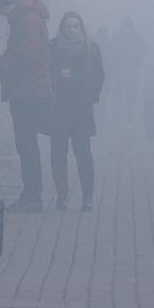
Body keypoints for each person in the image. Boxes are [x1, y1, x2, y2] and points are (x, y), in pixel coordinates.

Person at [0, 0, 52, 213]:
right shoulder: (27, 18)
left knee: (26, 144)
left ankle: (32, 196)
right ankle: (31, 194)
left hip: (28, 91)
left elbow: (26, 58)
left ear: (6, 4)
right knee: (26, 144)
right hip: (29, 89)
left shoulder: (25, 21)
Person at [48, 11, 104, 211]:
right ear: (62, 28)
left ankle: (87, 196)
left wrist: (88, 97)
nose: (71, 30)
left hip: (81, 109)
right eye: (68, 26)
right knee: (58, 154)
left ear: (81, 28)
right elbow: (46, 73)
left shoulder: (91, 49)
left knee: (83, 154)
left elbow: (98, 77)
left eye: (75, 26)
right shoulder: (52, 47)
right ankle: (62, 195)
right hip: (59, 109)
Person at [110, 17, 148, 130]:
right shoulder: (118, 37)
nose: (127, 28)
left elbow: (143, 51)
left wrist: (137, 63)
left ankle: (129, 118)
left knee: (131, 95)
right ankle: (119, 117)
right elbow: (111, 52)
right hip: (120, 71)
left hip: (131, 71)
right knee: (119, 94)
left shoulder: (136, 37)